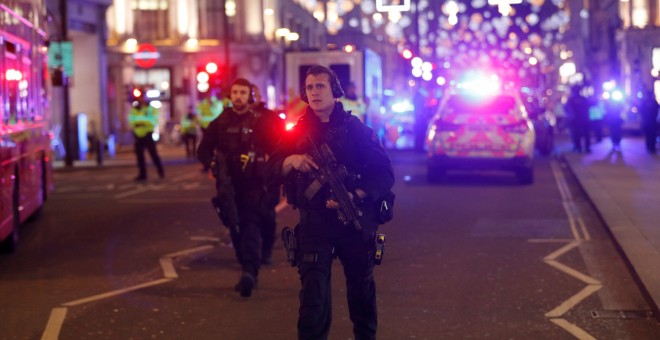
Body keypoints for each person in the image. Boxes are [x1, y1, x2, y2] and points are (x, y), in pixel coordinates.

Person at [265, 65, 394, 340]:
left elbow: (384, 174)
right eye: (309, 87)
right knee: (313, 298)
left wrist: (355, 195)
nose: (314, 92)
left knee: (361, 291)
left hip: (355, 222)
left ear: (334, 92)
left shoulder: (356, 130)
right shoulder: (296, 132)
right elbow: (268, 170)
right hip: (315, 224)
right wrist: (291, 160)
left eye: (320, 86)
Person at [197, 78, 284, 297]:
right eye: (235, 92)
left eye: (243, 93)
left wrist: (271, 169)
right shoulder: (220, 122)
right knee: (234, 224)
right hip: (228, 183)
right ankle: (245, 264)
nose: (238, 96)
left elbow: (277, 147)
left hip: (254, 182)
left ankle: (250, 271)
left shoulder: (260, 121)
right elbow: (203, 149)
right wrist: (212, 163)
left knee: (250, 223)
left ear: (250, 96)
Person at [129, 99, 164, 181]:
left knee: (153, 154)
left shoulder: (151, 109)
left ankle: (160, 171)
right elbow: (131, 121)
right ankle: (142, 174)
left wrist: (140, 123)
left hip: (148, 134)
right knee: (139, 156)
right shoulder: (134, 109)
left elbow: (153, 122)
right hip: (138, 135)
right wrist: (144, 121)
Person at [197, 93, 224, 171]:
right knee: (206, 148)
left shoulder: (216, 104)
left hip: (216, 128)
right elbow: (199, 115)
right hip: (205, 128)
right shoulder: (203, 105)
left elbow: (218, 114)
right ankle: (207, 165)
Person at [564, 86, 591, 153]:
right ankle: (584, 147)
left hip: (576, 120)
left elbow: (566, 109)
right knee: (583, 134)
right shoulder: (582, 99)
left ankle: (579, 147)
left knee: (577, 134)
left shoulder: (571, 99)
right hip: (581, 120)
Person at [639, 89, 659, 153]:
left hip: (651, 121)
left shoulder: (653, 102)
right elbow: (641, 111)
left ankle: (651, 147)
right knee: (649, 134)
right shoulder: (645, 102)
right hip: (648, 121)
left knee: (652, 134)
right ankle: (650, 146)